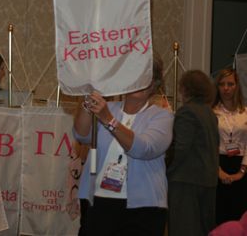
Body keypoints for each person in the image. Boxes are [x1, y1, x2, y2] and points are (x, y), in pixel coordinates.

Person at [73, 56, 173, 236]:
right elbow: (81, 134)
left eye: (147, 77)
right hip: (99, 201)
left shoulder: (162, 117)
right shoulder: (108, 107)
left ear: (154, 86)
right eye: (136, 75)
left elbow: (143, 148)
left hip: (143, 208)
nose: (141, 82)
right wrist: (87, 100)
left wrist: (108, 120)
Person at [167, 70, 219, 236]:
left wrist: (166, 171)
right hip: (208, 181)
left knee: (184, 229)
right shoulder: (210, 113)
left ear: (185, 89)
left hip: (186, 182)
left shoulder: (187, 112)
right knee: (204, 230)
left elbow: (180, 149)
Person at [212, 68, 247, 225]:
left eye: (230, 84)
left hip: (242, 168)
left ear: (237, 86)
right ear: (217, 87)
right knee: (219, 216)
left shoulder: (245, 112)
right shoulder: (211, 112)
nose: (226, 88)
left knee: (239, 219)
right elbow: (208, 145)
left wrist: (241, 172)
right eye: (222, 84)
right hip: (217, 166)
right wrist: (219, 172)